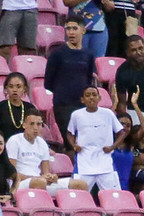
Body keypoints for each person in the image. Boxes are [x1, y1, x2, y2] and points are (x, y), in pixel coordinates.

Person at [44, 15, 97, 154]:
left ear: (83, 30)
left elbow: (88, 79)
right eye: (68, 29)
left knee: (85, 144)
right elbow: (48, 83)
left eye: (74, 28)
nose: (71, 32)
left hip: (83, 106)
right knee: (72, 145)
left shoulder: (89, 54)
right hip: (63, 106)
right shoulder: (57, 54)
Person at [8, 109, 87, 194]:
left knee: (80, 184)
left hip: (40, 181)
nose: (35, 128)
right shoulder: (14, 141)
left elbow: (46, 172)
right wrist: (37, 178)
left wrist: (51, 177)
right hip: (19, 183)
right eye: (32, 124)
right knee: (39, 182)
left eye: (38, 124)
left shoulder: (42, 143)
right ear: (24, 125)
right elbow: (12, 174)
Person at [67, 86, 127, 192]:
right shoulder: (76, 115)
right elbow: (69, 133)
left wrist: (112, 147)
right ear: (82, 99)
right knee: (78, 196)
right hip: (84, 164)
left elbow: (121, 132)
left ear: (99, 98)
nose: (91, 98)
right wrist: (74, 145)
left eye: (94, 95)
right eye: (88, 95)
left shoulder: (108, 113)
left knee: (114, 196)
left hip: (105, 163)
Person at [0, 72, 38, 141]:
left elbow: (37, 130)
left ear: (24, 88)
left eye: (18, 87)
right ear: (6, 88)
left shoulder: (30, 108)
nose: (15, 90)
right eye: (11, 86)